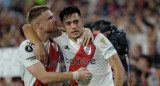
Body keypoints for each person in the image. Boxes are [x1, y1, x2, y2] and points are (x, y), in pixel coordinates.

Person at [23, 6, 125, 86]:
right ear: (62, 27)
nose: (74, 26)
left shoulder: (98, 39)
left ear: (82, 22)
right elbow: (27, 27)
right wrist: (37, 43)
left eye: (76, 22)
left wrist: (87, 30)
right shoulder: (60, 37)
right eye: (68, 23)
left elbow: (118, 68)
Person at [18, 5, 93, 86]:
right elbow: (44, 77)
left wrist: (86, 30)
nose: (55, 20)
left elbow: (77, 30)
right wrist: (76, 75)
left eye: (53, 16)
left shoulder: (56, 39)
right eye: (50, 18)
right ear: (38, 25)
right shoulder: (27, 47)